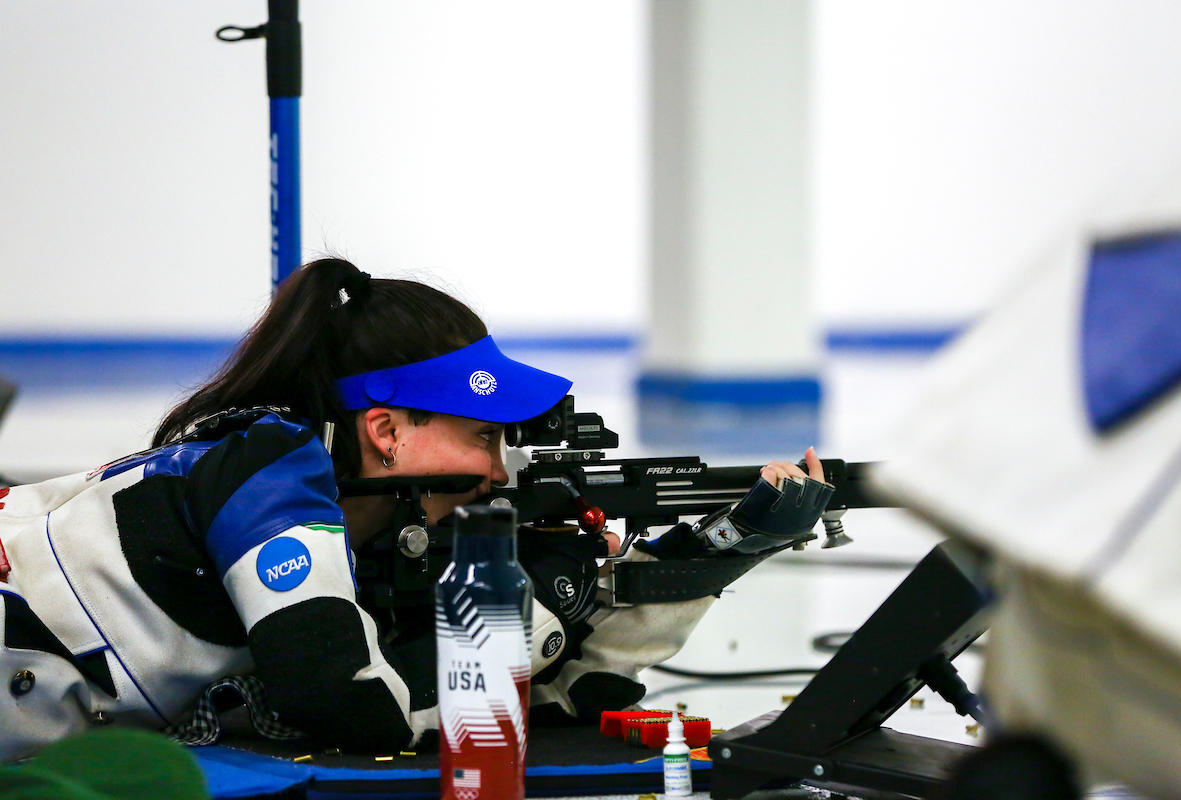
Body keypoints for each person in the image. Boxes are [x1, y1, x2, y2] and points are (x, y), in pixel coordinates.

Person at [0, 258, 831, 761]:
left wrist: (721, 546)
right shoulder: (275, 467)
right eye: (482, 437)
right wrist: (537, 601)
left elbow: (564, 695)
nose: (496, 470)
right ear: (387, 430)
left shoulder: (361, 529)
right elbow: (352, 705)